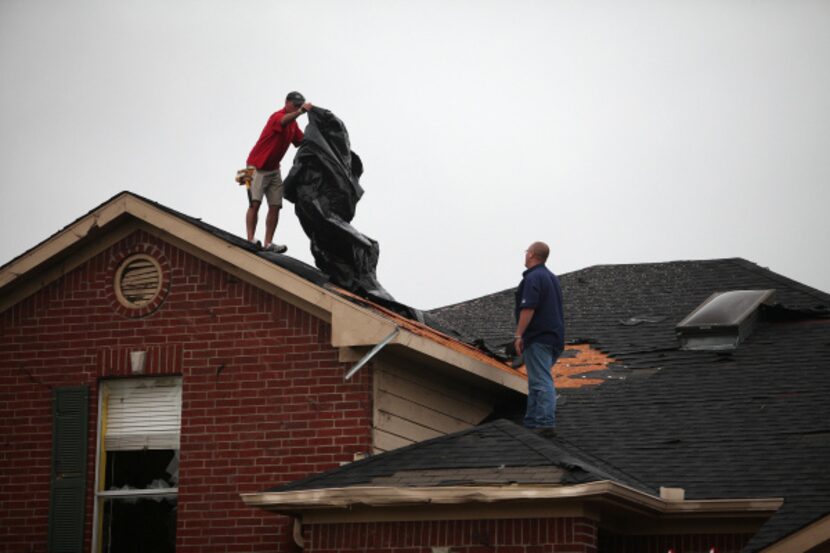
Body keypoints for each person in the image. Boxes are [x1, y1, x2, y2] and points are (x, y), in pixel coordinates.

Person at [245, 91, 313, 253]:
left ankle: (268, 243)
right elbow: (283, 122)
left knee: (275, 206)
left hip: (274, 169)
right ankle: (250, 239)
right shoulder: (277, 116)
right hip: (254, 167)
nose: (297, 108)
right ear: (287, 103)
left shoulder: (294, 125)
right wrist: (301, 112)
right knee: (254, 203)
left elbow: (302, 142)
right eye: (295, 105)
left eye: (299, 105)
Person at [514, 241, 565, 431]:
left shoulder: (534, 277)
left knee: (541, 380)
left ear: (532, 254)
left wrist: (519, 335)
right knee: (537, 379)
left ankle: (543, 423)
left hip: (539, 338)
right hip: (554, 339)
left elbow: (529, 307)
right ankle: (533, 423)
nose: (525, 254)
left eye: (526, 251)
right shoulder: (551, 278)